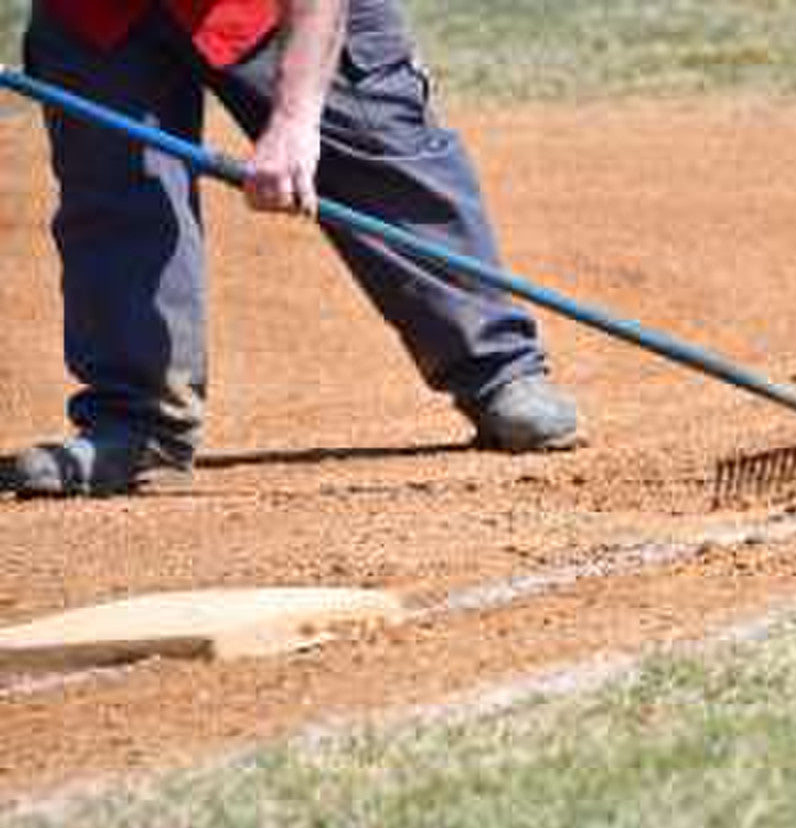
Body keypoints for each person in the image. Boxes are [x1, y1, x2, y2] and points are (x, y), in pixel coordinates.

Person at [11, 0, 581, 498]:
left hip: (270, 9)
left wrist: (293, 120)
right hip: (95, 14)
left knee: (377, 149)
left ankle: (497, 371)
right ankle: (134, 426)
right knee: (114, 196)